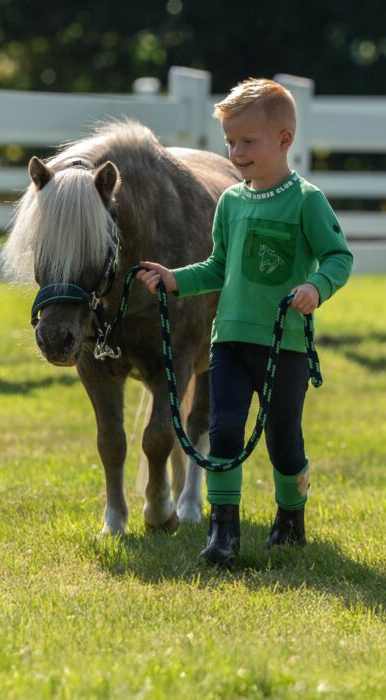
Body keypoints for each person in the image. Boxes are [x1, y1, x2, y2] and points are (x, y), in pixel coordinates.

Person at [136, 78, 353, 566]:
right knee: (225, 431)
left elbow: (339, 257)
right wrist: (174, 279)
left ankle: (290, 517)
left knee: (283, 440)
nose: (235, 152)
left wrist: (316, 287)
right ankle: (223, 530)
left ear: (284, 140)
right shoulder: (231, 203)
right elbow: (218, 267)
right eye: (230, 142)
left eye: (247, 142)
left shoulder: (306, 201)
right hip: (228, 343)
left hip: (283, 346)